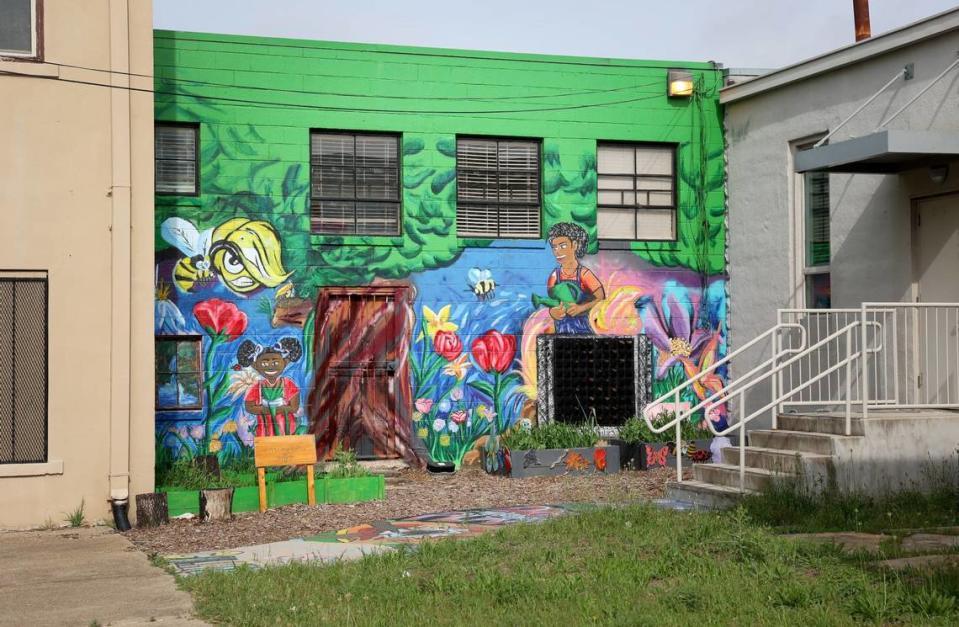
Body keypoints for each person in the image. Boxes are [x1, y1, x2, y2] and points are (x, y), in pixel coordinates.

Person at [546, 222, 605, 334]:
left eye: (563, 246)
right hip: (561, 329)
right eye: (554, 247)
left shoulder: (584, 274)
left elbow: (600, 298)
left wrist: (581, 308)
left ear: (575, 245)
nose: (557, 251)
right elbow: (551, 301)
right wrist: (552, 312)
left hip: (584, 328)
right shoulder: (554, 276)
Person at [237, 338, 302, 437]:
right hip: (265, 429)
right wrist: (279, 409)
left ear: (285, 363)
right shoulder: (258, 387)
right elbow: (249, 407)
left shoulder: (288, 384)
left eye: (275, 363)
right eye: (264, 363)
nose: (270, 367)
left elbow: (294, 407)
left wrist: (267, 410)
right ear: (255, 366)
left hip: (286, 427)